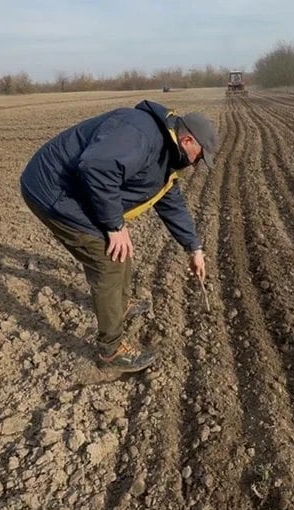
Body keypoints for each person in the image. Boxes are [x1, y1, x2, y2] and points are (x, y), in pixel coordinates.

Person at [19, 100, 219, 373]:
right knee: (109, 260)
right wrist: (114, 226)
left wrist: (193, 248)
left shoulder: (166, 155)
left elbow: (170, 201)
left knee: (121, 249)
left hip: (76, 191)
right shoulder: (140, 133)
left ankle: (121, 305)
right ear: (187, 140)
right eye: (200, 156)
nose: (197, 164)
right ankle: (111, 353)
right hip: (52, 190)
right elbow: (96, 168)